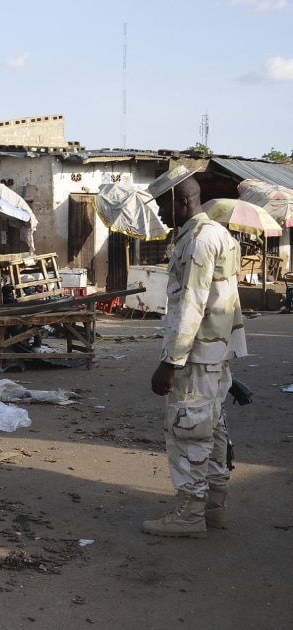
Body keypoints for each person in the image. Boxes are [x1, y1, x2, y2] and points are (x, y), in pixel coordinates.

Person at [144, 170, 247, 538]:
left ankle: (190, 515)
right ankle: (214, 508)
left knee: (188, 431)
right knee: (213, 429)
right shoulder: (219, 234)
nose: (159, 212)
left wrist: (169, 363)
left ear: (180, 201)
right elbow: (230, 303)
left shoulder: (197, 242)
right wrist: (230, 351)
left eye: (161, 205)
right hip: (215, 354)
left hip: (196, 356)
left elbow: (192, 304)